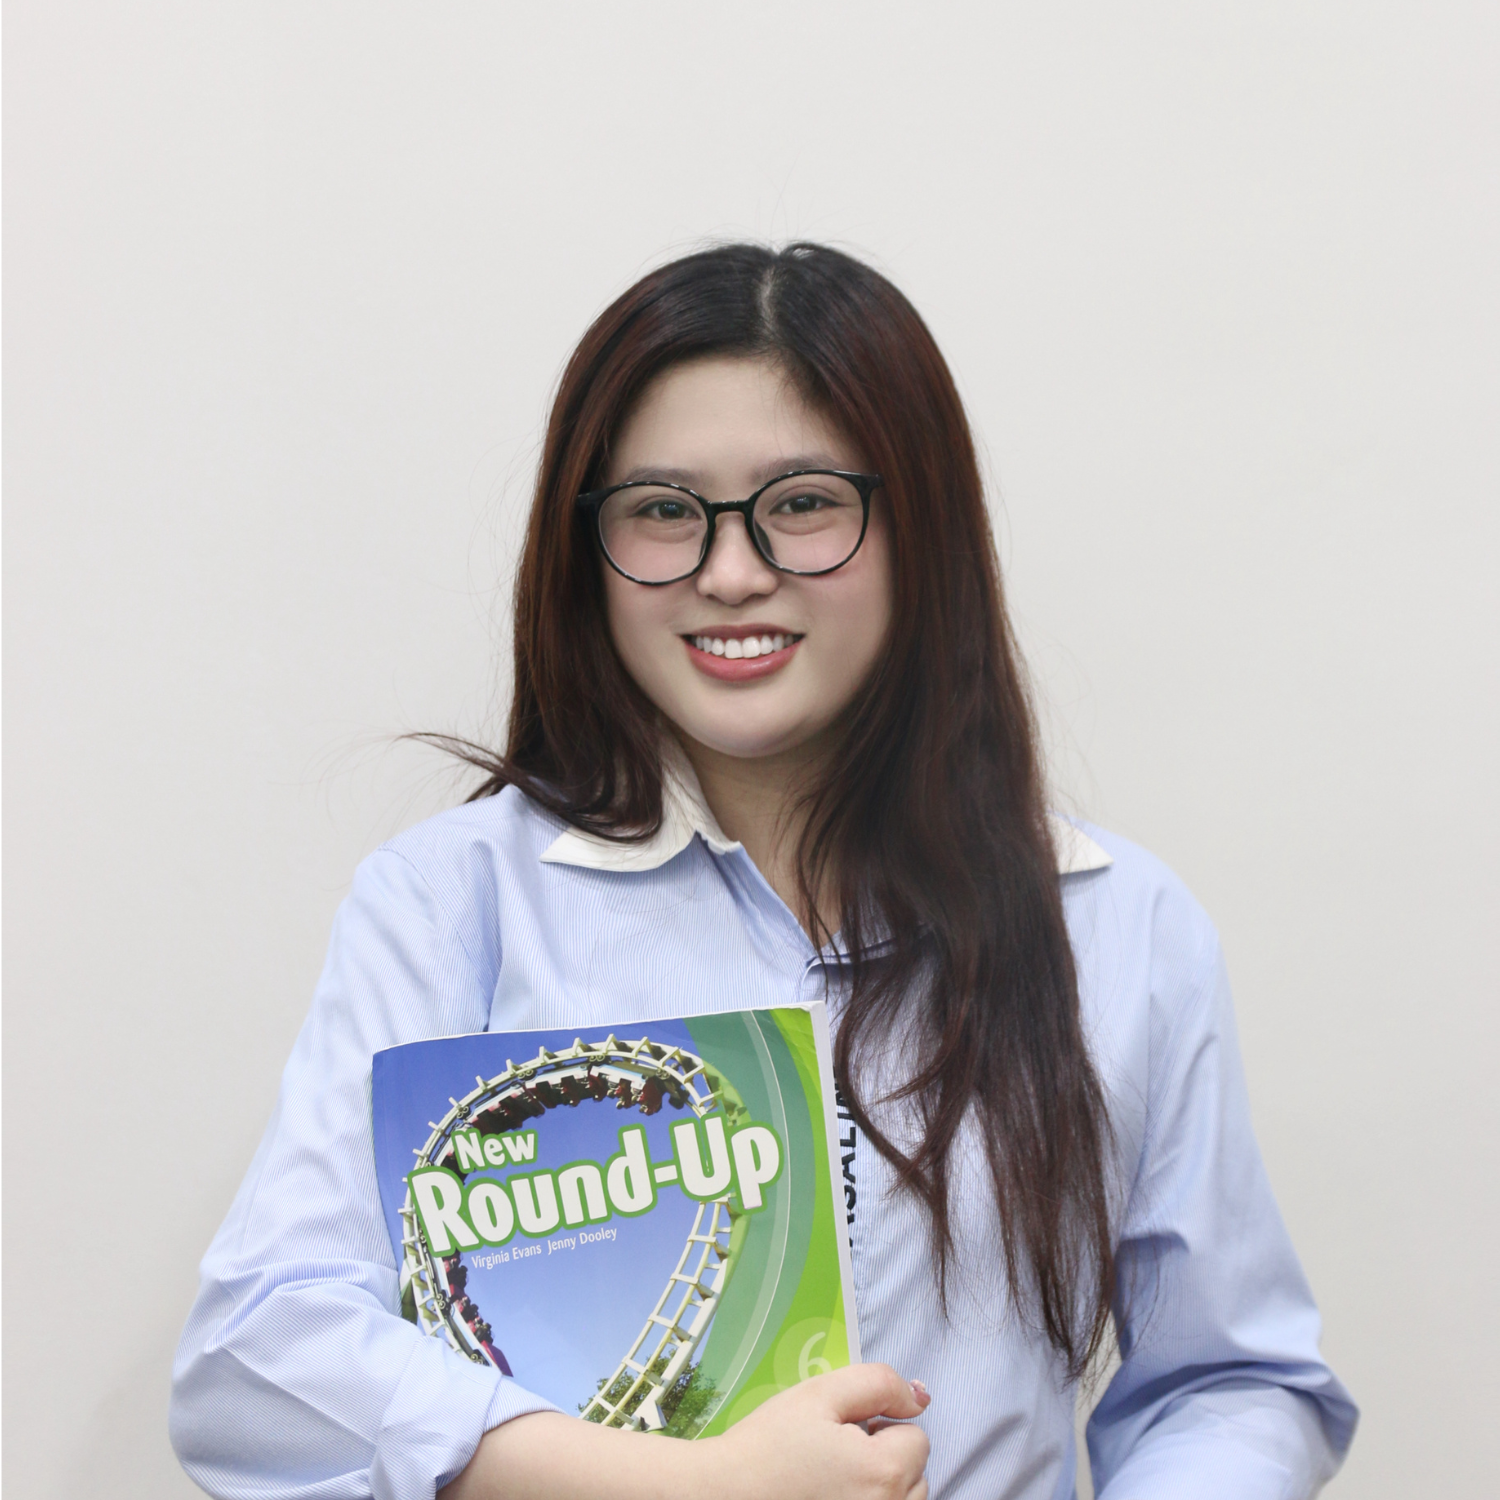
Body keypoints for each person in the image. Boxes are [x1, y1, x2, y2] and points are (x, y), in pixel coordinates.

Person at [169, 243, 1357, 1500]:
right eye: (662, 510)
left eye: (802, 503)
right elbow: (258, 1370)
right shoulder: (455, 903)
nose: (730, 573)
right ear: (588, 547)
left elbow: (1230, 1380)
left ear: (921, 530)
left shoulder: (1115, 923)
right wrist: (691, 1489)